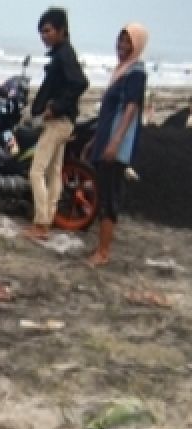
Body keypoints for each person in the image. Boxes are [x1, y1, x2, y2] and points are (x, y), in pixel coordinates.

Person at [24, 8, 88, 242]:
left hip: (59, 122)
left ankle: (41, 223)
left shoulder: (64, 55)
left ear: (62, 30)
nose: (44, 36)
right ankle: (47, 220)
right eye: (41, 32)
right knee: (53, 172)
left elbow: (80, 83)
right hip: (62, 122)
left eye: (48, 30)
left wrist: (56, 107)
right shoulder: (60, 53)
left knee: (35, 171)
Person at [87, 24, 148, 267]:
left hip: (116, 144)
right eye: (120, 41)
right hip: (106, 140)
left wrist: (115, 141)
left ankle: (103, 253)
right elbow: (110, 111)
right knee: (102, 192)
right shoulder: (122, 70)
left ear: (138, 46)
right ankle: (101, 248)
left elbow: (130, 109)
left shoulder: (135, 73)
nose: (122, 47)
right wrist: (96, 139)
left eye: (128, 43)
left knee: (110, 195)